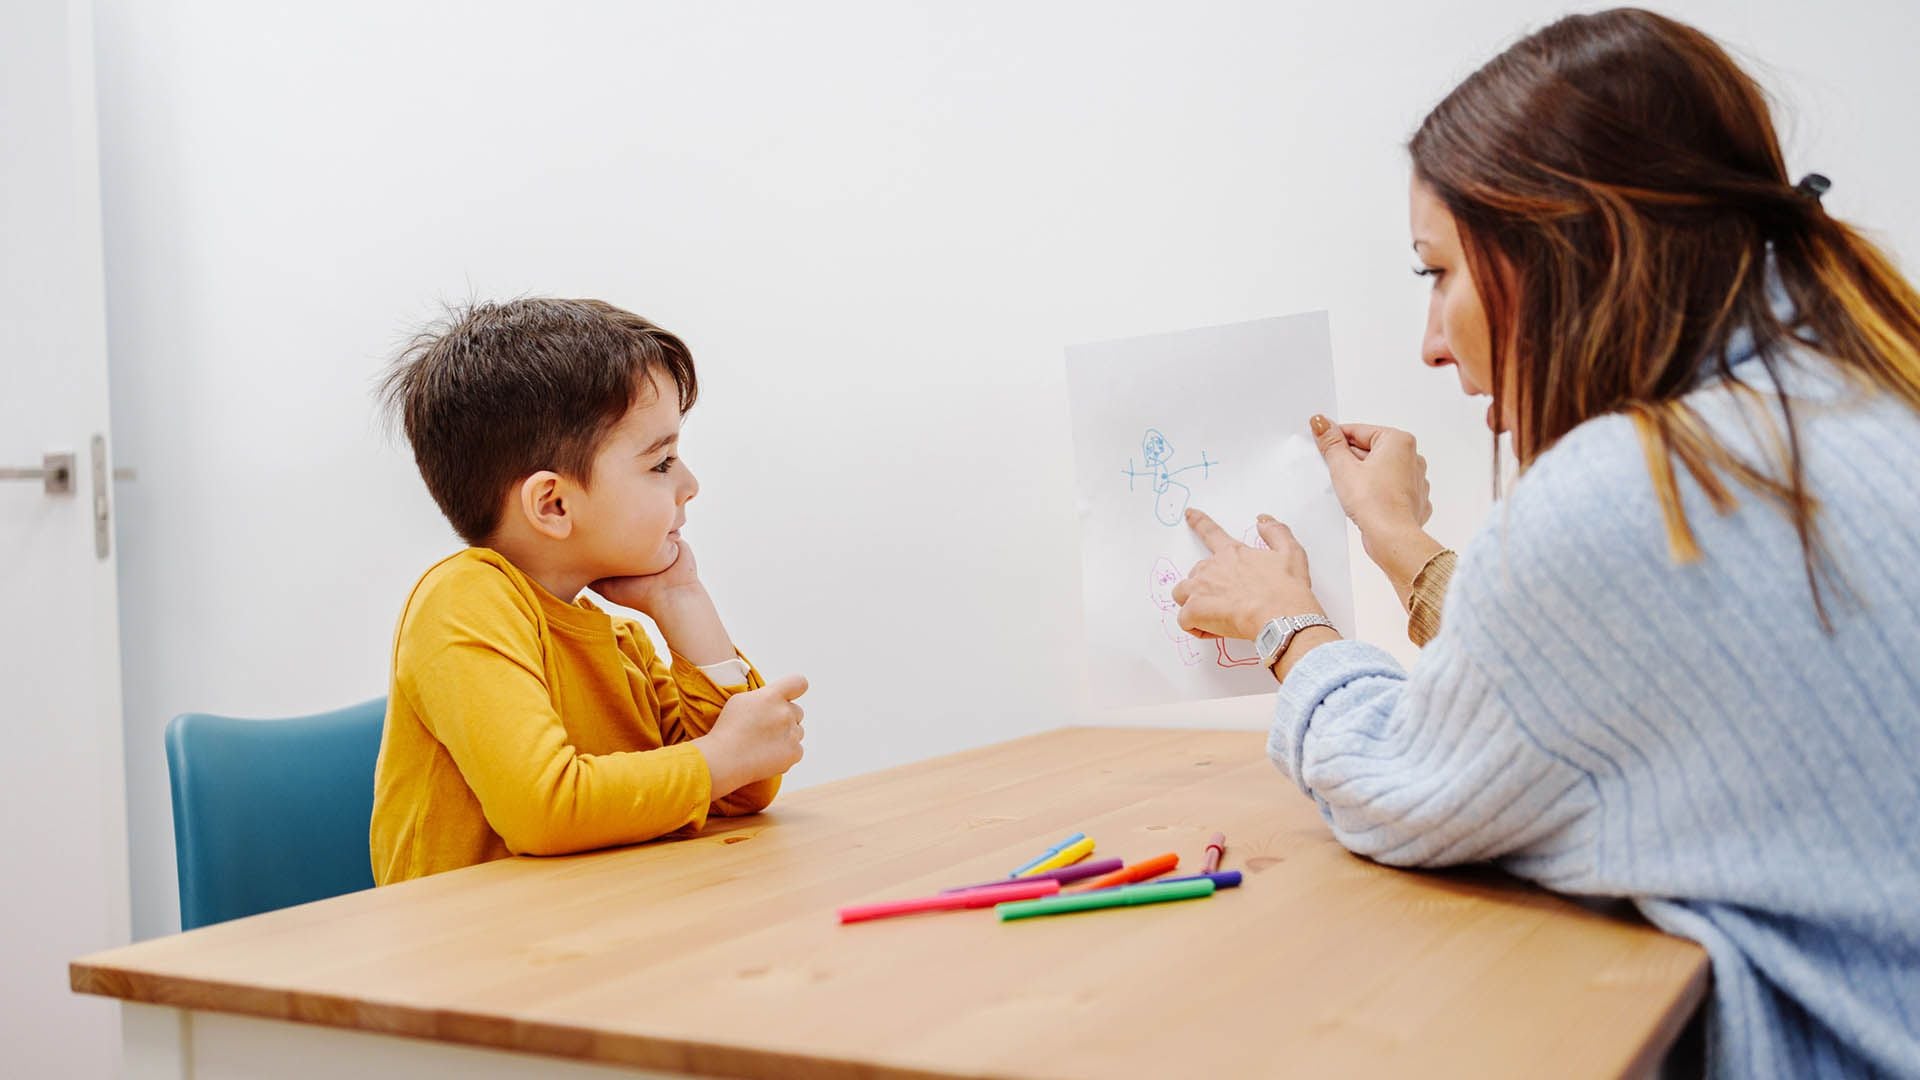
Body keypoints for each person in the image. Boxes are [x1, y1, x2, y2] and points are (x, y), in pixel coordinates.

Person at [1173, 10, 1920, 1077]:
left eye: (1436, 275)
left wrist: (1283, 623)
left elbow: (1407, 787)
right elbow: (1603, 690)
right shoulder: (1851, 387)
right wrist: (1396, 536)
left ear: (1569, 244)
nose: (1431, 343)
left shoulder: (1643, 483)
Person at [370, 298, 806, 885]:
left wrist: (682, 601)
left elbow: (744, 788)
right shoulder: (464, 599)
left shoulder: (618, 636)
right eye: (661, 462)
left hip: (592, 934)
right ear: (553, 504)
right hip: (471, 958)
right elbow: (544, 809)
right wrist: (720, 757)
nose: (690, 484)